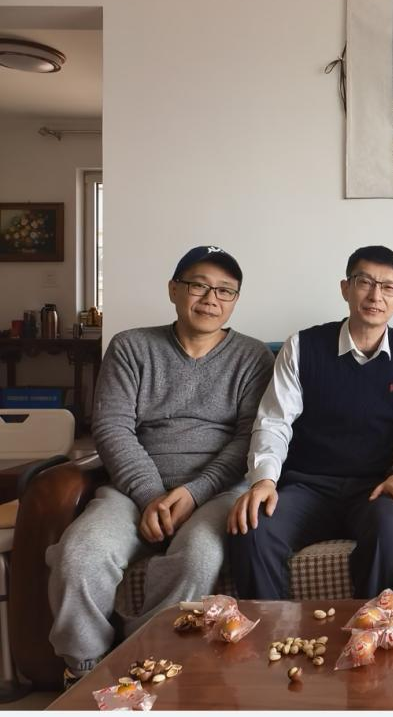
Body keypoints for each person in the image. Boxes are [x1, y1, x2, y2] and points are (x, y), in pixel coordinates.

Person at [47, 245, 274, 688]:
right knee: (81, 553)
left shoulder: (253, 357)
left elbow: (248, 438)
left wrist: (193, 493)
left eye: (225, 291)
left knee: (200, 556)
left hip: (216, 490)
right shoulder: (131, 346)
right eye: (199, 285)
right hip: (132, 488)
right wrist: (150, 494)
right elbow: (111, 427)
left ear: (235, 300)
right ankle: (84, 670)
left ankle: (146, 663)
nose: (211, 299)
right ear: (174, 289)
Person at [226, 245, 393, 599]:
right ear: (345, 288)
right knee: (253, 528)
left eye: (388, 287)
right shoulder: (302, 346)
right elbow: (274, 421)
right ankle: (271, 631)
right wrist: (264, 480)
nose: (376, 295)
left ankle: (379, 627)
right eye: (364, 282)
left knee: (390, 526)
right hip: (307, 486)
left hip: (374, 487)